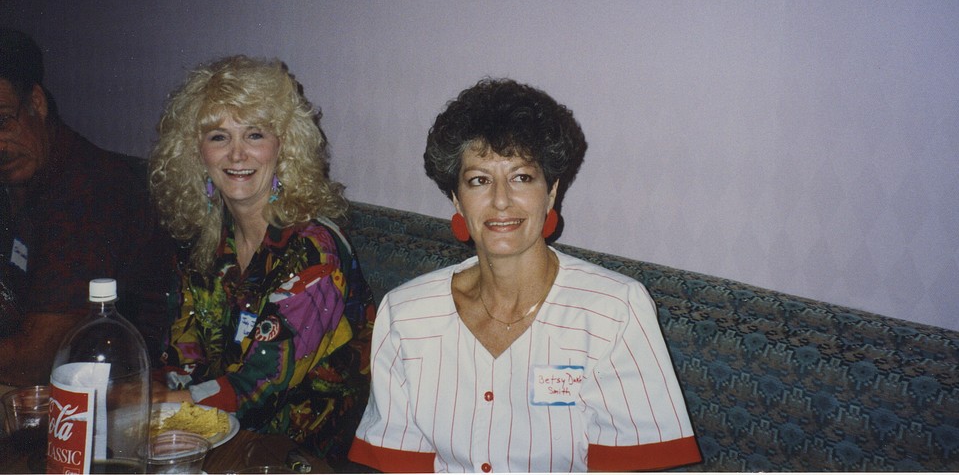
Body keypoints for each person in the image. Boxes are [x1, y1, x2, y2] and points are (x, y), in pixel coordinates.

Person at [349, 78, 702, 473]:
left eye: (521, 177)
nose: (501, 200)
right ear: (457, 199)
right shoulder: (406, 315)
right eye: (479, 180)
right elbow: (397, 464)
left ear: (551, 192)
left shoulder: (615, 312)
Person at [149, 55, 375, 463]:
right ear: (197, 151)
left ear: (283, 145)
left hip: (300, 454)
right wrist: (153, 391)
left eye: (254, 135)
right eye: (219, 137)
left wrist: (161, 402)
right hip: (217, 434)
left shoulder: (314, 251)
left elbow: (261, 386)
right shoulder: (205, 241)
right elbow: (183, 351)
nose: (237, 155)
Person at [0, 28, 176, 385]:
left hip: (114, 391)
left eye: (3, 121)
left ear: (37, 102)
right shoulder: (25, 174)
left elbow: (37, 359)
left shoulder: (89, 191)